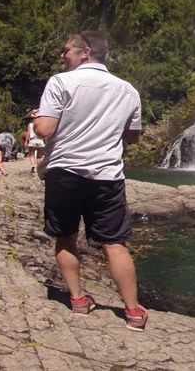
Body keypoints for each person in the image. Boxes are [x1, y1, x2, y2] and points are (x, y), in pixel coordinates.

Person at [32, 31, 147, 330]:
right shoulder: (128, 90)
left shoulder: (60, 82)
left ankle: (79, 300)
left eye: (66, 49)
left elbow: (44, 129)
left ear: (86, 52)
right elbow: (132, 138)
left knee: (66, 237)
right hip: (106, 175)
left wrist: (36, 119)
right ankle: (133, 312)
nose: (62, 55)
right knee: (114, 244)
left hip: (65, 172)